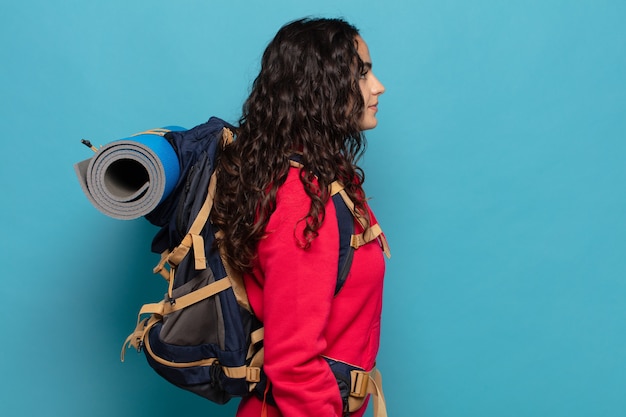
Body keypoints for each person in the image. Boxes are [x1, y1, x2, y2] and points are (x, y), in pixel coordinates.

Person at [212, 17, 389, 417]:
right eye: (361, 74)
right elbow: (293, 364)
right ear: (320, 87)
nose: (378, 86)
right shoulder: (303, 200)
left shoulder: (322, 179)